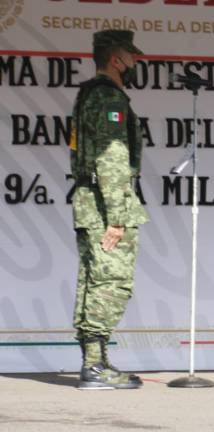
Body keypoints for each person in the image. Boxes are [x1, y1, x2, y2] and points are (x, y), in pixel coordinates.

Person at [69, 30, 148, 390]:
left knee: (93, 281)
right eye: (131, 57)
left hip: (90, 201)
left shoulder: (88, 94)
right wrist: (117, 218)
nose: (135, 63)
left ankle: (95, 363)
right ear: (117, 59)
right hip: (104, 205)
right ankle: (95, 368)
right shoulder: (108, 99)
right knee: (111, 283)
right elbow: (112, 158)